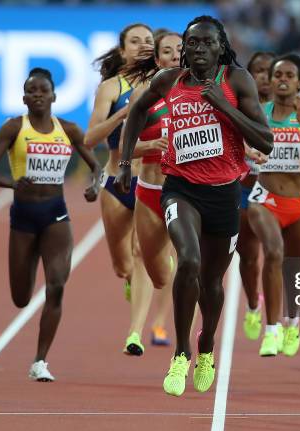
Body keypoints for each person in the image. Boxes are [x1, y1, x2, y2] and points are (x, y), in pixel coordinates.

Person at [115, 15, 273, 397]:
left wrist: (224, 107)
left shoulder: (236, 81)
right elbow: (137, 112)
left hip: (224, 194)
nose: (197, 49)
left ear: (220, 47)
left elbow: (265, 141)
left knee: (212, 283)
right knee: (188, 260)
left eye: (205, 43)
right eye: (192, 43)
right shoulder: (168, 81)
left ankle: (206, 348)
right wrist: (124, 162)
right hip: (179, 189)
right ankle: (181, 353)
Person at [0, 68, 101, 381]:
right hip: (23, 217)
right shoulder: (13, 127)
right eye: (31, 91)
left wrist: (94, 186)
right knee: (21, 298)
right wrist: (12, 184)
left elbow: (97, 166)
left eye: (42, 90)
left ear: (54, 96)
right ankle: (31, 259)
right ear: (23, 97)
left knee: (57, 286)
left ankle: (40, 361)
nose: (37, 96)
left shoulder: (69, 130)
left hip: (55, 215)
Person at [118, 31, 183, 355]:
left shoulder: (199, 95)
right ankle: (134, 333)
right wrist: (149, 146)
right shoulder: (144, 95)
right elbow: (124, 146)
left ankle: (185, 344)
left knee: (188, 262)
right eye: (167, 52)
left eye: (180, 50)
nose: (175, 56)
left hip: (184, 190)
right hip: (149, 187)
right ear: (157, 60)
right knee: (145, 260)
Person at [84, 23, 154, 309]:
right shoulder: (111, 88)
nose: (143, 46)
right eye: (135, 42)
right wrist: (123, 114)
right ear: (123, 50)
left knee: (142, 253)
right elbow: (89, 139)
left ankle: (138, 329)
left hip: (151, 181)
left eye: (148, 41)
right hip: (117, 182)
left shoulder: (164, 84)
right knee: (122, 265)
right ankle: (130, 281)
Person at [248, 54, 300, 358]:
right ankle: (271, 330)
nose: (283, 79)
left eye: (289, 74)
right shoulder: (259, 113)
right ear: (271, 81)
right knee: (273, 252)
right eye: (277, 74)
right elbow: (240, 146)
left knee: (293, 271)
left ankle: (293, 321)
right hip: (265, 198)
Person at [240, 51, 275, 342]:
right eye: (258, 71)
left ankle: (280, 320)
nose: (264, 76)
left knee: (278, 253)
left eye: (269, 71)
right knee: (249, 257)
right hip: (244, 187)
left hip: (278, 191)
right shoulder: (238, 106)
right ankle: (253, 303)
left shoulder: (290, 109)